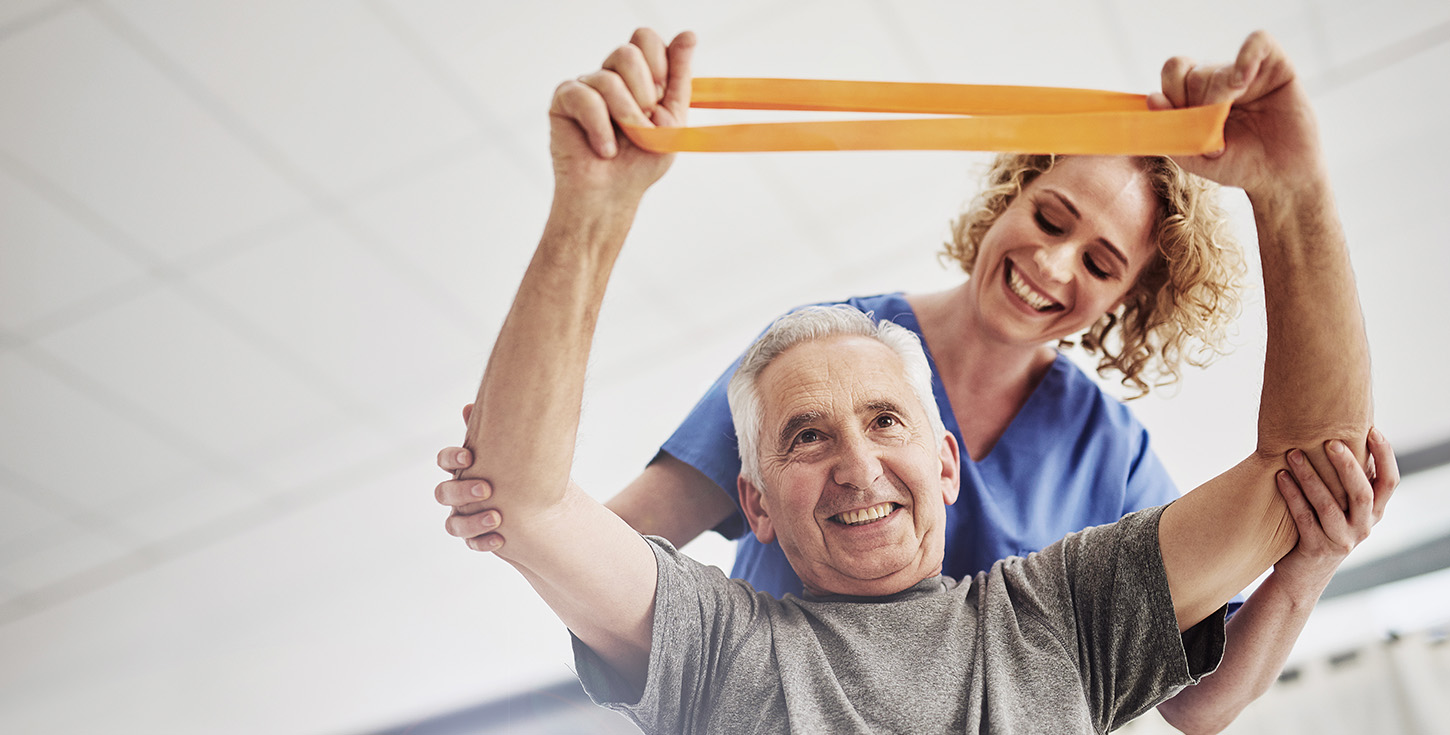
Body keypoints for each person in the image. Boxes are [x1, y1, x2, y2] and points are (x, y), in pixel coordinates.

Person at [437, 28, 1393, 732]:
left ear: (943, 460)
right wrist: (590, 217)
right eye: (807, 434)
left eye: (1102, 265)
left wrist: (1292, 190)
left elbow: (1287, 504)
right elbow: (566, 515)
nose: (859, 462)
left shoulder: (1059, 607)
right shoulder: (797, 383)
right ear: (754, 499)